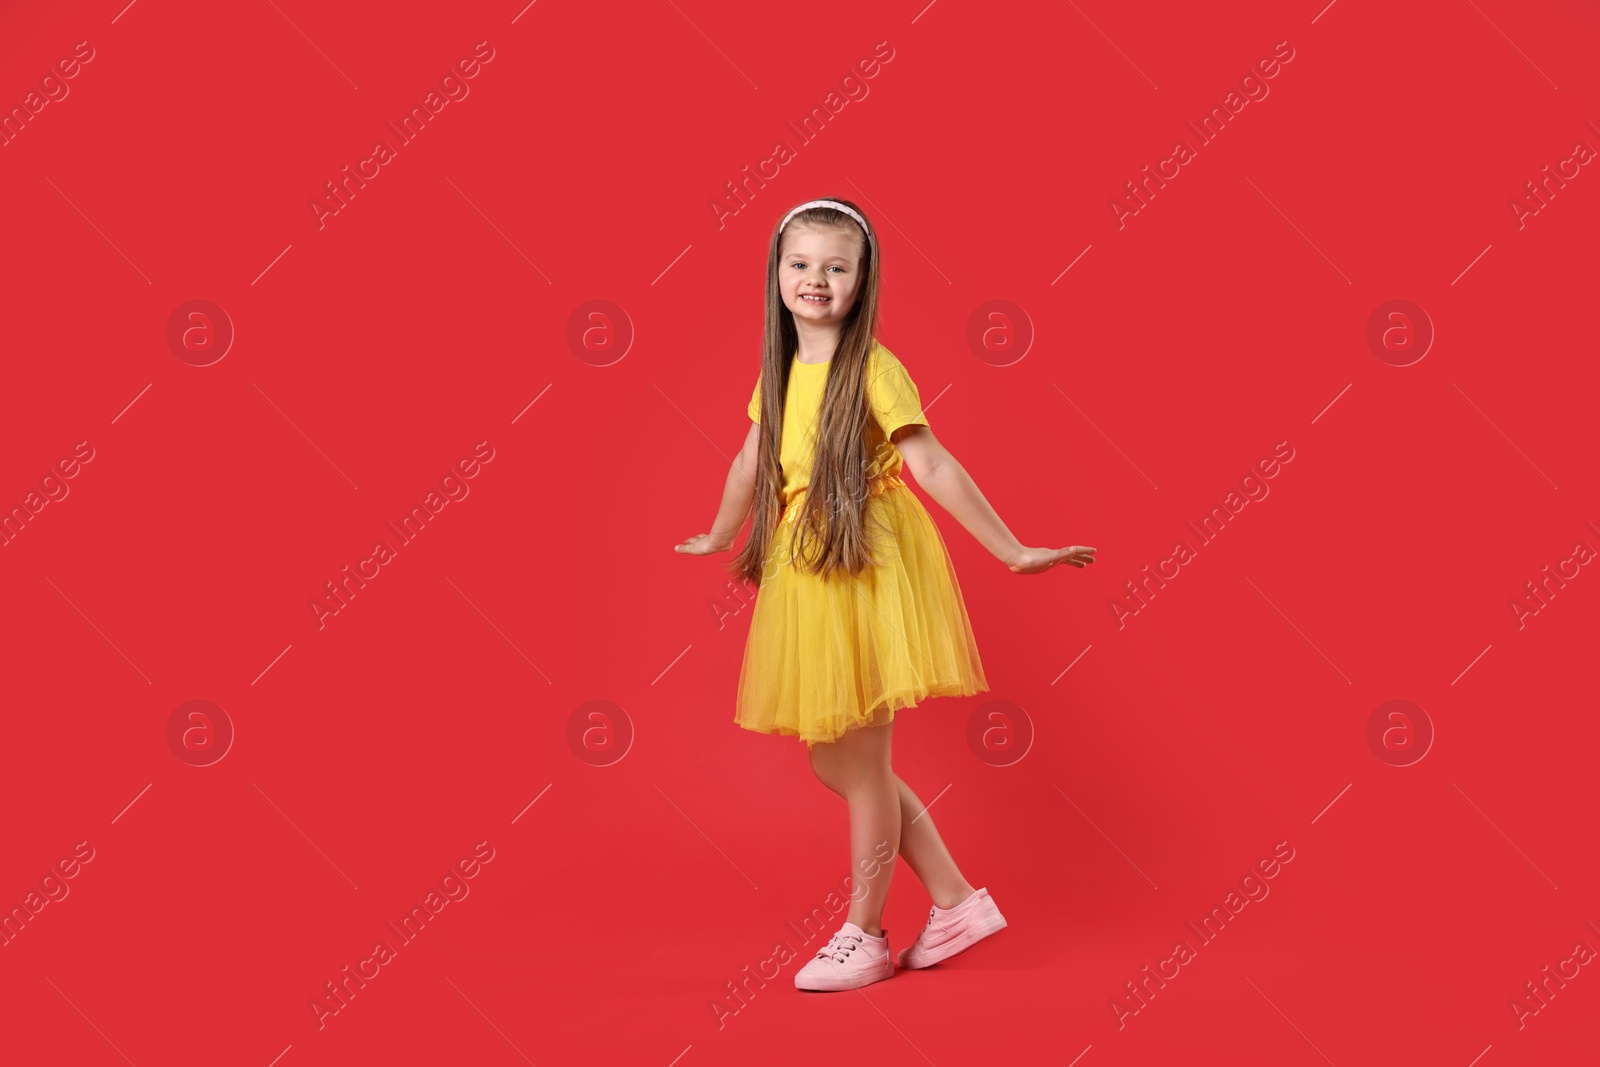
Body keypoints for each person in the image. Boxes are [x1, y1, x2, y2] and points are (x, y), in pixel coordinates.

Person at [675, 197, 1095, 992]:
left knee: (862, 761)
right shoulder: (780, 370)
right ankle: (956, 899)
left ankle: (863, 931)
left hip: (862, 566)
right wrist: (719, 531)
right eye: (800, 264)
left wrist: (1013, 550)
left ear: (863, 280)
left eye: (837, 266)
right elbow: (748, 459)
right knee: (834, 756)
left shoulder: (872, 368)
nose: (816, 280)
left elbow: (932, 463)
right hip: (808, 572)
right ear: (775, 274)